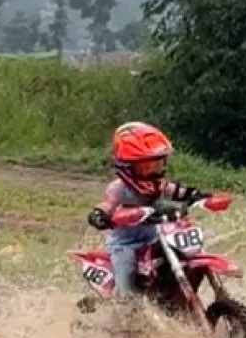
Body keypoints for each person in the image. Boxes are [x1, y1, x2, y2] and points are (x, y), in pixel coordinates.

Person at [86, 122, 206, 298]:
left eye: (158, 165)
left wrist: (196, 195)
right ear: (128, 167)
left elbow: (177, 191)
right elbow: (108, 204)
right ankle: (124, 302)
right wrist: (99, 215)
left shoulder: (159, 185)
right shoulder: (118, 188)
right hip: (125, 245)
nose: (154, 171)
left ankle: (170, 294)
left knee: (179, 251)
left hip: (153, 238)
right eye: (146, 167)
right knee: (126, 269)